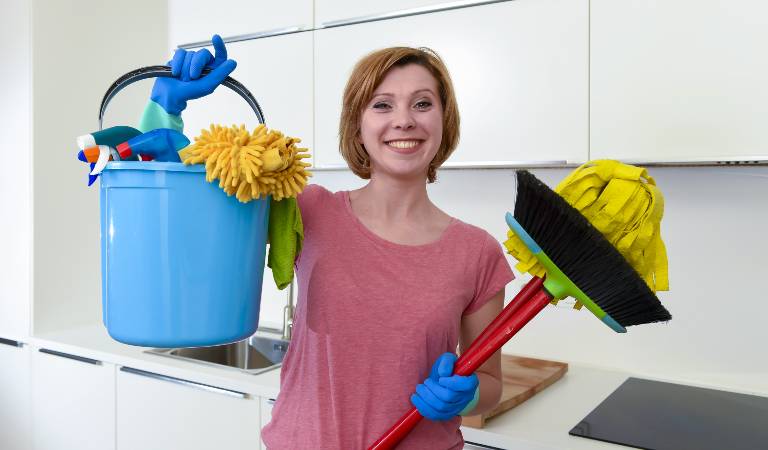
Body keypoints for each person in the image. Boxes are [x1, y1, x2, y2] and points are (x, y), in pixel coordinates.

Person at [148, 36, 514, 450]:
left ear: (445, 120)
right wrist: (165, 108)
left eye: (423, 103)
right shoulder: (308, 210)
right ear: (358, 127)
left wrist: (466, 395)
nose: (405, 120)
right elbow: (177, 197)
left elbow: (491, 383)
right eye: (382, 104)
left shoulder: (477, 253)